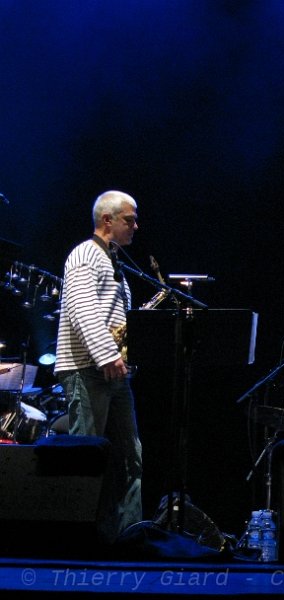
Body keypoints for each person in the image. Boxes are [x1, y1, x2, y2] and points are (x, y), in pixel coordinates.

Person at [54, 190, 143, 544]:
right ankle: (80, 541)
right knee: (88, 458)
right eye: (129, 219)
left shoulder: (114, 262)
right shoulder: (85, 254)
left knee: (129, 458)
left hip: (113, 373)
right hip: (88, 369)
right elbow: (81, 309)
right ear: (107, 220)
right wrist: (108, 354)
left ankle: (129, 538)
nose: (136, 225)